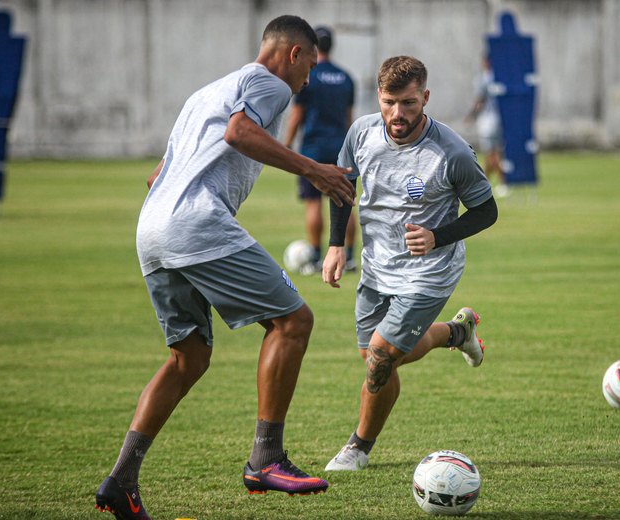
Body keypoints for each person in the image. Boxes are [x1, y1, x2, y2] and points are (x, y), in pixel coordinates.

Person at [94, 15, 356, 519]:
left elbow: (159, 176)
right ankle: (266, 458)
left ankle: (120, 480)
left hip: (152, 230)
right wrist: (314, 169)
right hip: (194, 224)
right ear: (295, 54)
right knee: (294, 321)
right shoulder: (268, 81)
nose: (306, 82)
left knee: (188, 359)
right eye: (309, 67)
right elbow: (239, 132)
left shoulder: (203, 95)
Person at [321, 56, 498, 471]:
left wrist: (439, 236)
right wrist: (335, 245)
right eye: (388, 102)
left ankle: (358, 447)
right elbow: (343, 185)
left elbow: (486, 211)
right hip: (377, 265)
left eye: (408, 103)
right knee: (374, 356)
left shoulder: (451, 151)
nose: (397, 114)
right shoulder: (362, 132)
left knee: (381, 357)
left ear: (426, 97)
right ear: (378, 97)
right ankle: (457, 332)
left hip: (429, 272)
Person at [282, 26, 358, 274]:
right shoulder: (346, 77)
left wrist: (286, 145)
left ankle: (315, 255)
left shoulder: (309, 75)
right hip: (340, 147)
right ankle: (348, 256)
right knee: (344, 202)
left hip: (313, 148)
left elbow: (298, 114)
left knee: (313, 203)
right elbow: (349, 118)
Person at [466, 56, 509, 198]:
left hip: (488, 120)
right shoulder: (502, 77)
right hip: (500, 119)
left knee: (491, 153)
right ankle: (484, 184)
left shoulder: (484, 78)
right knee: (493, 153)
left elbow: (480, 100)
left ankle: (505, 182)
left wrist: (471, 116)